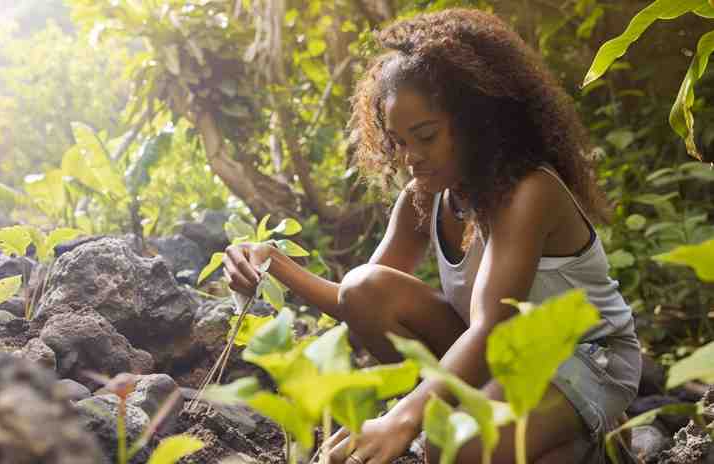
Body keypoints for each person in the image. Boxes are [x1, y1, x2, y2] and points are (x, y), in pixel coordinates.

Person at [223, 8, 641, 464]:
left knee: (449, 443)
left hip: (583, 360)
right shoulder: (425, 199)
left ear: (477, 122)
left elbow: (489, 326)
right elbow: (355, 300)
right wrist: (270, 264)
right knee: (368, 287)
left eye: (426, 136)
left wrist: (403, 418)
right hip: (503, 357)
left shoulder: (528, 193)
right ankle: (539, 436)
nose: (410, 158)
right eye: (398, 141)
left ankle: (586, 434)